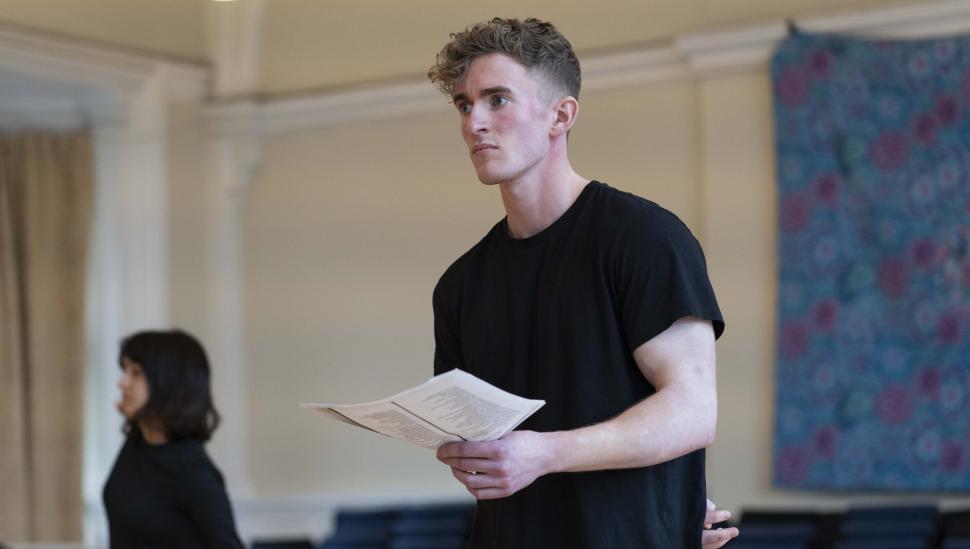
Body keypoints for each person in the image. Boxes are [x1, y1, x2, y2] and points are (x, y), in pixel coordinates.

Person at [427, 17, 737, 548]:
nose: (474, 121)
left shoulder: (644, 238)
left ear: (560, 115)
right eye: (464, 103)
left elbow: (692, 411)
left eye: (497, 99)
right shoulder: (460, 284)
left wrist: (549, 455)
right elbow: (482, 443)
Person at [102, 329, 243, 548]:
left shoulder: (192, 469)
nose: (122, 382)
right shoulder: (138, 440)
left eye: (136, 373)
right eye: (125, 370)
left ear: (168, 382)